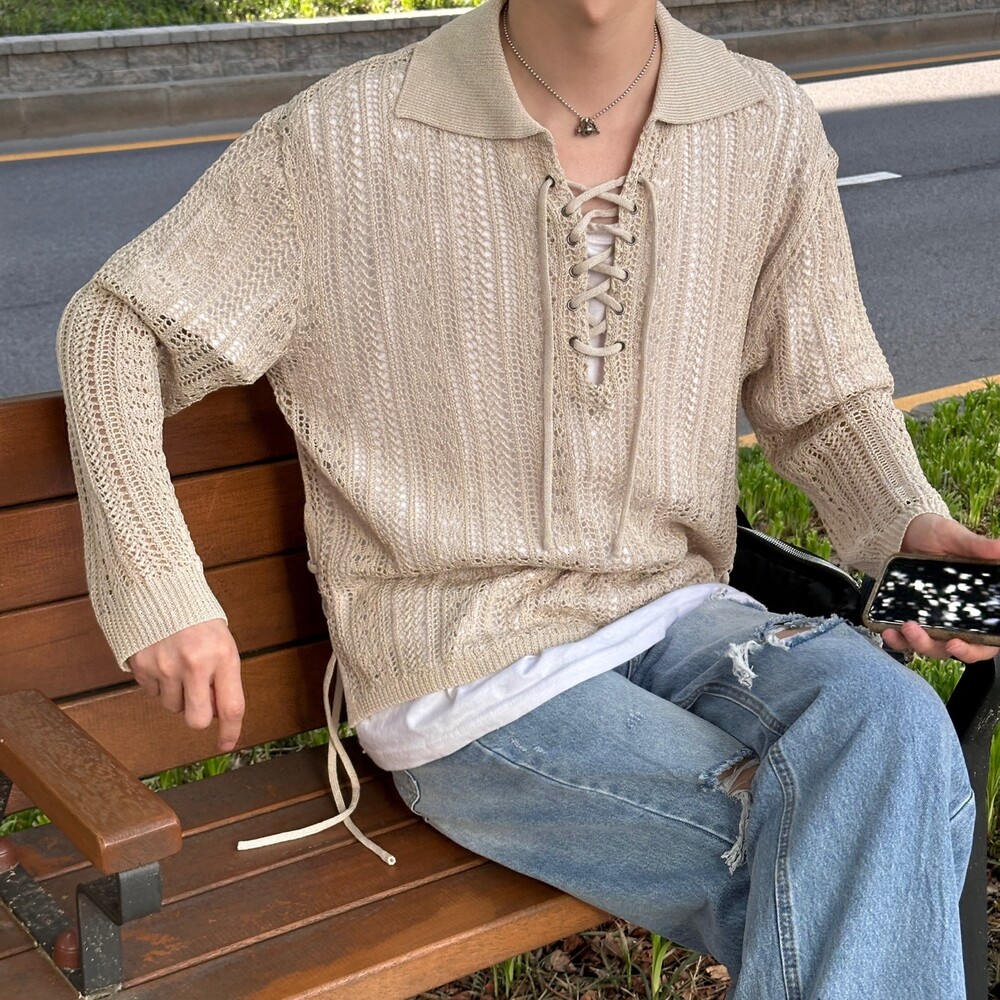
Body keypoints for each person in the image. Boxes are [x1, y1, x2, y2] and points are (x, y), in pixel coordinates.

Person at [56, 0, 1000, 995]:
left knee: (894, 729)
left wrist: (906, 522)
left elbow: (823, 395)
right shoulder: (342, 137)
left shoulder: (761, 124)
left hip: (682, 614)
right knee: (883, 834)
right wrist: (160, 583)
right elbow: (117, 327)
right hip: (470, 670)